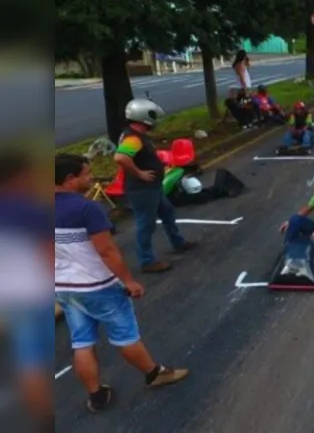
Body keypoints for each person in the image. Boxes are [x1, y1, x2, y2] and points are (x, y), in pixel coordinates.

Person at [55, 154, 190, 413]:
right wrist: (128, 280)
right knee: (125, 335)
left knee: (82, 341)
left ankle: (96, 395)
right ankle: (154, 374)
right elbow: (106, 251)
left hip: (64, 287)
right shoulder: (86, 208)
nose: (91, 177)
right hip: (98, 285)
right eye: (86, 173)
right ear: (70, 179)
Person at [0, 151, 54, 428]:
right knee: (39, 361)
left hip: (8, 296)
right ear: (19, 177)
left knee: (27, 357)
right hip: (34, 292)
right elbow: (49, 253)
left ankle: (40, 418)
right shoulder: (30, 210)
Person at [113, 99, 197, 273]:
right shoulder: (133, 138)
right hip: (143, 189)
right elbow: (120, 157)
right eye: (152, 116)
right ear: (143, 117)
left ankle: (178, 242)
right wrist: (140, 173)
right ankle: (147, 261)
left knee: (168, 213)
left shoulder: (136, 136)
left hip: (153, 187)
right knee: (146, 224)